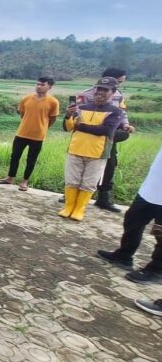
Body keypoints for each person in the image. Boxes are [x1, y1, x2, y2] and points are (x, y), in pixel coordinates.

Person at [58, 77, 123, 222]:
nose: (100, 92)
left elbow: (106, 130)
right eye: (98, 89)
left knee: (89, 183)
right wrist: (68, 116)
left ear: (113, 92)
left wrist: (80, 126)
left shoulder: (116, 112)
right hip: (75, 149)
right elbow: (68, 127)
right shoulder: (81, 107)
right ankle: (69, 207)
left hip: (97, 153)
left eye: (105, 90)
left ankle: (79, 209)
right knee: (72, 181)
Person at [96, 144, 162, 284]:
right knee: (132, 220)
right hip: (151, 188)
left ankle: (156, 270)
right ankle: (124, 255)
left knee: (161, 235)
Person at [0, 76, 59, 191]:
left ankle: (24, 181)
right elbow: (22, 114)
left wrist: (43, 127)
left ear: (49, 86)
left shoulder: (53, 102)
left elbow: (53, 118)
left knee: (31, 160)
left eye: (42, 85)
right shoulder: (26, 98)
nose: (38, 87)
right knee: (14, 156)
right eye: (37, 84)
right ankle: (10, 178)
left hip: (38, 136)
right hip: (21, 133)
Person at [87, 68, 134, 212]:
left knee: (109, 165)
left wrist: (125, 124)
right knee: (82, 165)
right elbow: (78, 114)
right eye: (118, 82)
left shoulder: (118, 96)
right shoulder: (86, 94)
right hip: (89, 136)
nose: (118, 86)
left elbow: (122, 114)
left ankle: (103, 198)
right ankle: (71, 194)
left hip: (108, 138)